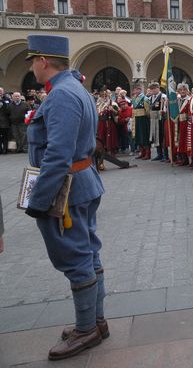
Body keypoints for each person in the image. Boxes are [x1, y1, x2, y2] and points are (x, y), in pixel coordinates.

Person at [23, 35, 107, 360]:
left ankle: (86, 329)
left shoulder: (61, 95)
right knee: (88, 252)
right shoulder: (76, 89)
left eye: (33, 60)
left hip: (66, 188)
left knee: (75, 258)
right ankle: (96, 322)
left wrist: (38, 200)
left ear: (44, 60)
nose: (31, 66)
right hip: (82, 181)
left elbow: (57, 154)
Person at [148, 82, 166, 161]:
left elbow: (165, 107)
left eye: (155, 88)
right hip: (153, 119)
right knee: (156, 136)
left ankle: (165, 155)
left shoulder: (163, 96)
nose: (153, 90)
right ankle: (159, 154)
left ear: (158, 88)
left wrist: (163, 111)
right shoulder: (151, 97)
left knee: (162, 137)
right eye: (152, 89)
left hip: (160, 119)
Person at [132, 84, 151, 160]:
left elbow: (148, 110)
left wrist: (147, 117)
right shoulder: (134, 98)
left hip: (143, 119)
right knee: (138, 136)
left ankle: (147, 153)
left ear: (140, 90)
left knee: (144, 136)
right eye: (134, 90)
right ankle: (141, 152)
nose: (135, 91)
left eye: (137, 89)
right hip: (136, 119)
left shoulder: (145, 98)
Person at [174, 83, 191, 166]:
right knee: (179, 140)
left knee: (185, 140)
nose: (182, 91)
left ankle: (186, 159)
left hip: (186, 122)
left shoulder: (189, 100)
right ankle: (180, 157)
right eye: (181, 90)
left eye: (184, 90)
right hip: (178, 122)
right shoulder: (177, 100)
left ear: (187, 91)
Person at [0, 87, 11, 154]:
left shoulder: (7, 99)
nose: (0, 92)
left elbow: (8, 110)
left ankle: (5, 149)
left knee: (5, 137)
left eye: (1, 91)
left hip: (4, 122)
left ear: (3, 92)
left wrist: (3, 102)